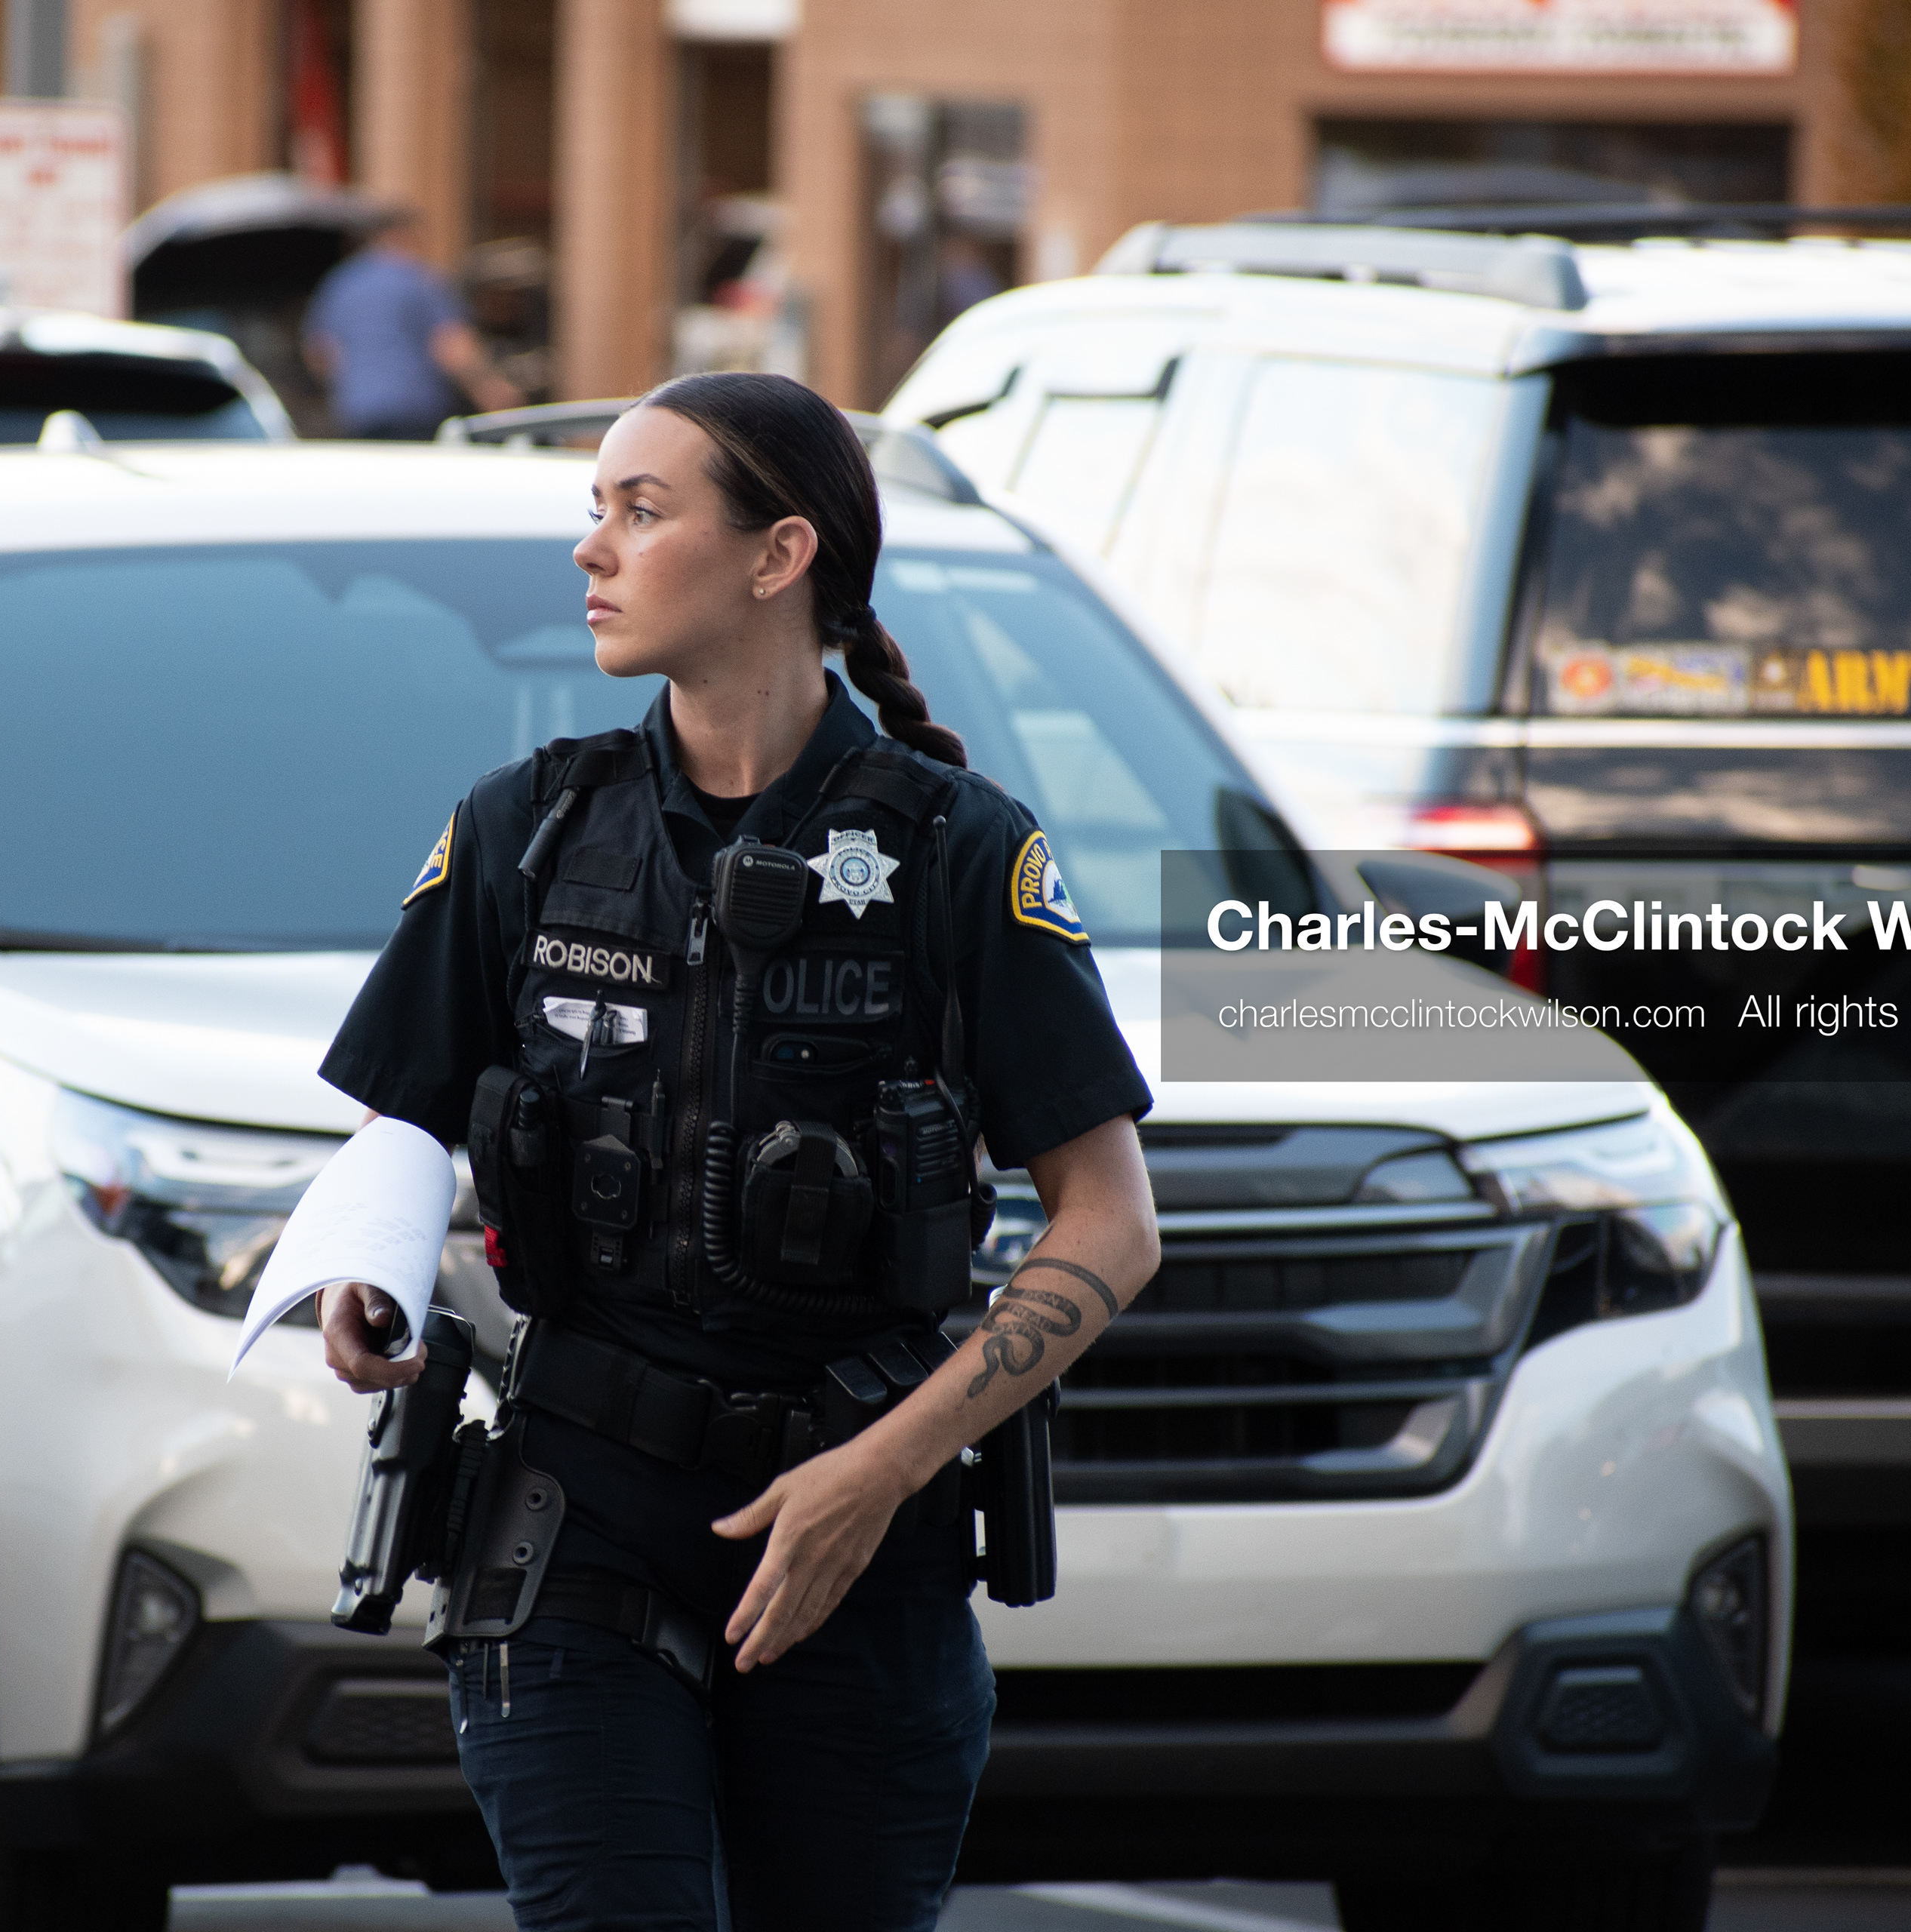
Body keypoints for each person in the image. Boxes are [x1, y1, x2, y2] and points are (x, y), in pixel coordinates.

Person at [315, 371, 1160, 1930]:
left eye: (642, 512)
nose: (593, 550)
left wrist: (879, 1473)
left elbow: (1110, 1222)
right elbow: (404, 1113)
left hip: (864, 1540)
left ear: (780, 555)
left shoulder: (959, 850)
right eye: (596, 511)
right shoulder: (527, 829)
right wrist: (365, 1272)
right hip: (573, 1522)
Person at [302, 209, 523, 438]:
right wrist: (493, 394)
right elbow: (453, 347)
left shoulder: (341, 284)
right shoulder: (420, 280)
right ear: (404, 235)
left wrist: (356, 384)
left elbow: (319, 355)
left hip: (358, 414)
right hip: (413, 412)